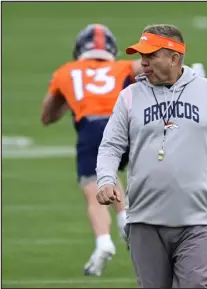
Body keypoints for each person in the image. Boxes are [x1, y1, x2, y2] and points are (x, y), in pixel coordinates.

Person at [95, 24, 207, 288]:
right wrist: (105, 180)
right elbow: (110, 146)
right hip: (144, 222)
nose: (143, 63)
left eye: (150, 55)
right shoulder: (129, 96)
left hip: (197, 221)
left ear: (174, 57)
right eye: (141, 56)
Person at [41, 23, 143, 276]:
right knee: (109, 175)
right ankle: (124, 218)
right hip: (124, 128)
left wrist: (69, 101)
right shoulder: (123, 67)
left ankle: (103, 242)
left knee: (93, 187)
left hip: (91, 128)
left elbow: (47, 116)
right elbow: (151, 68)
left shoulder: (67, 71)